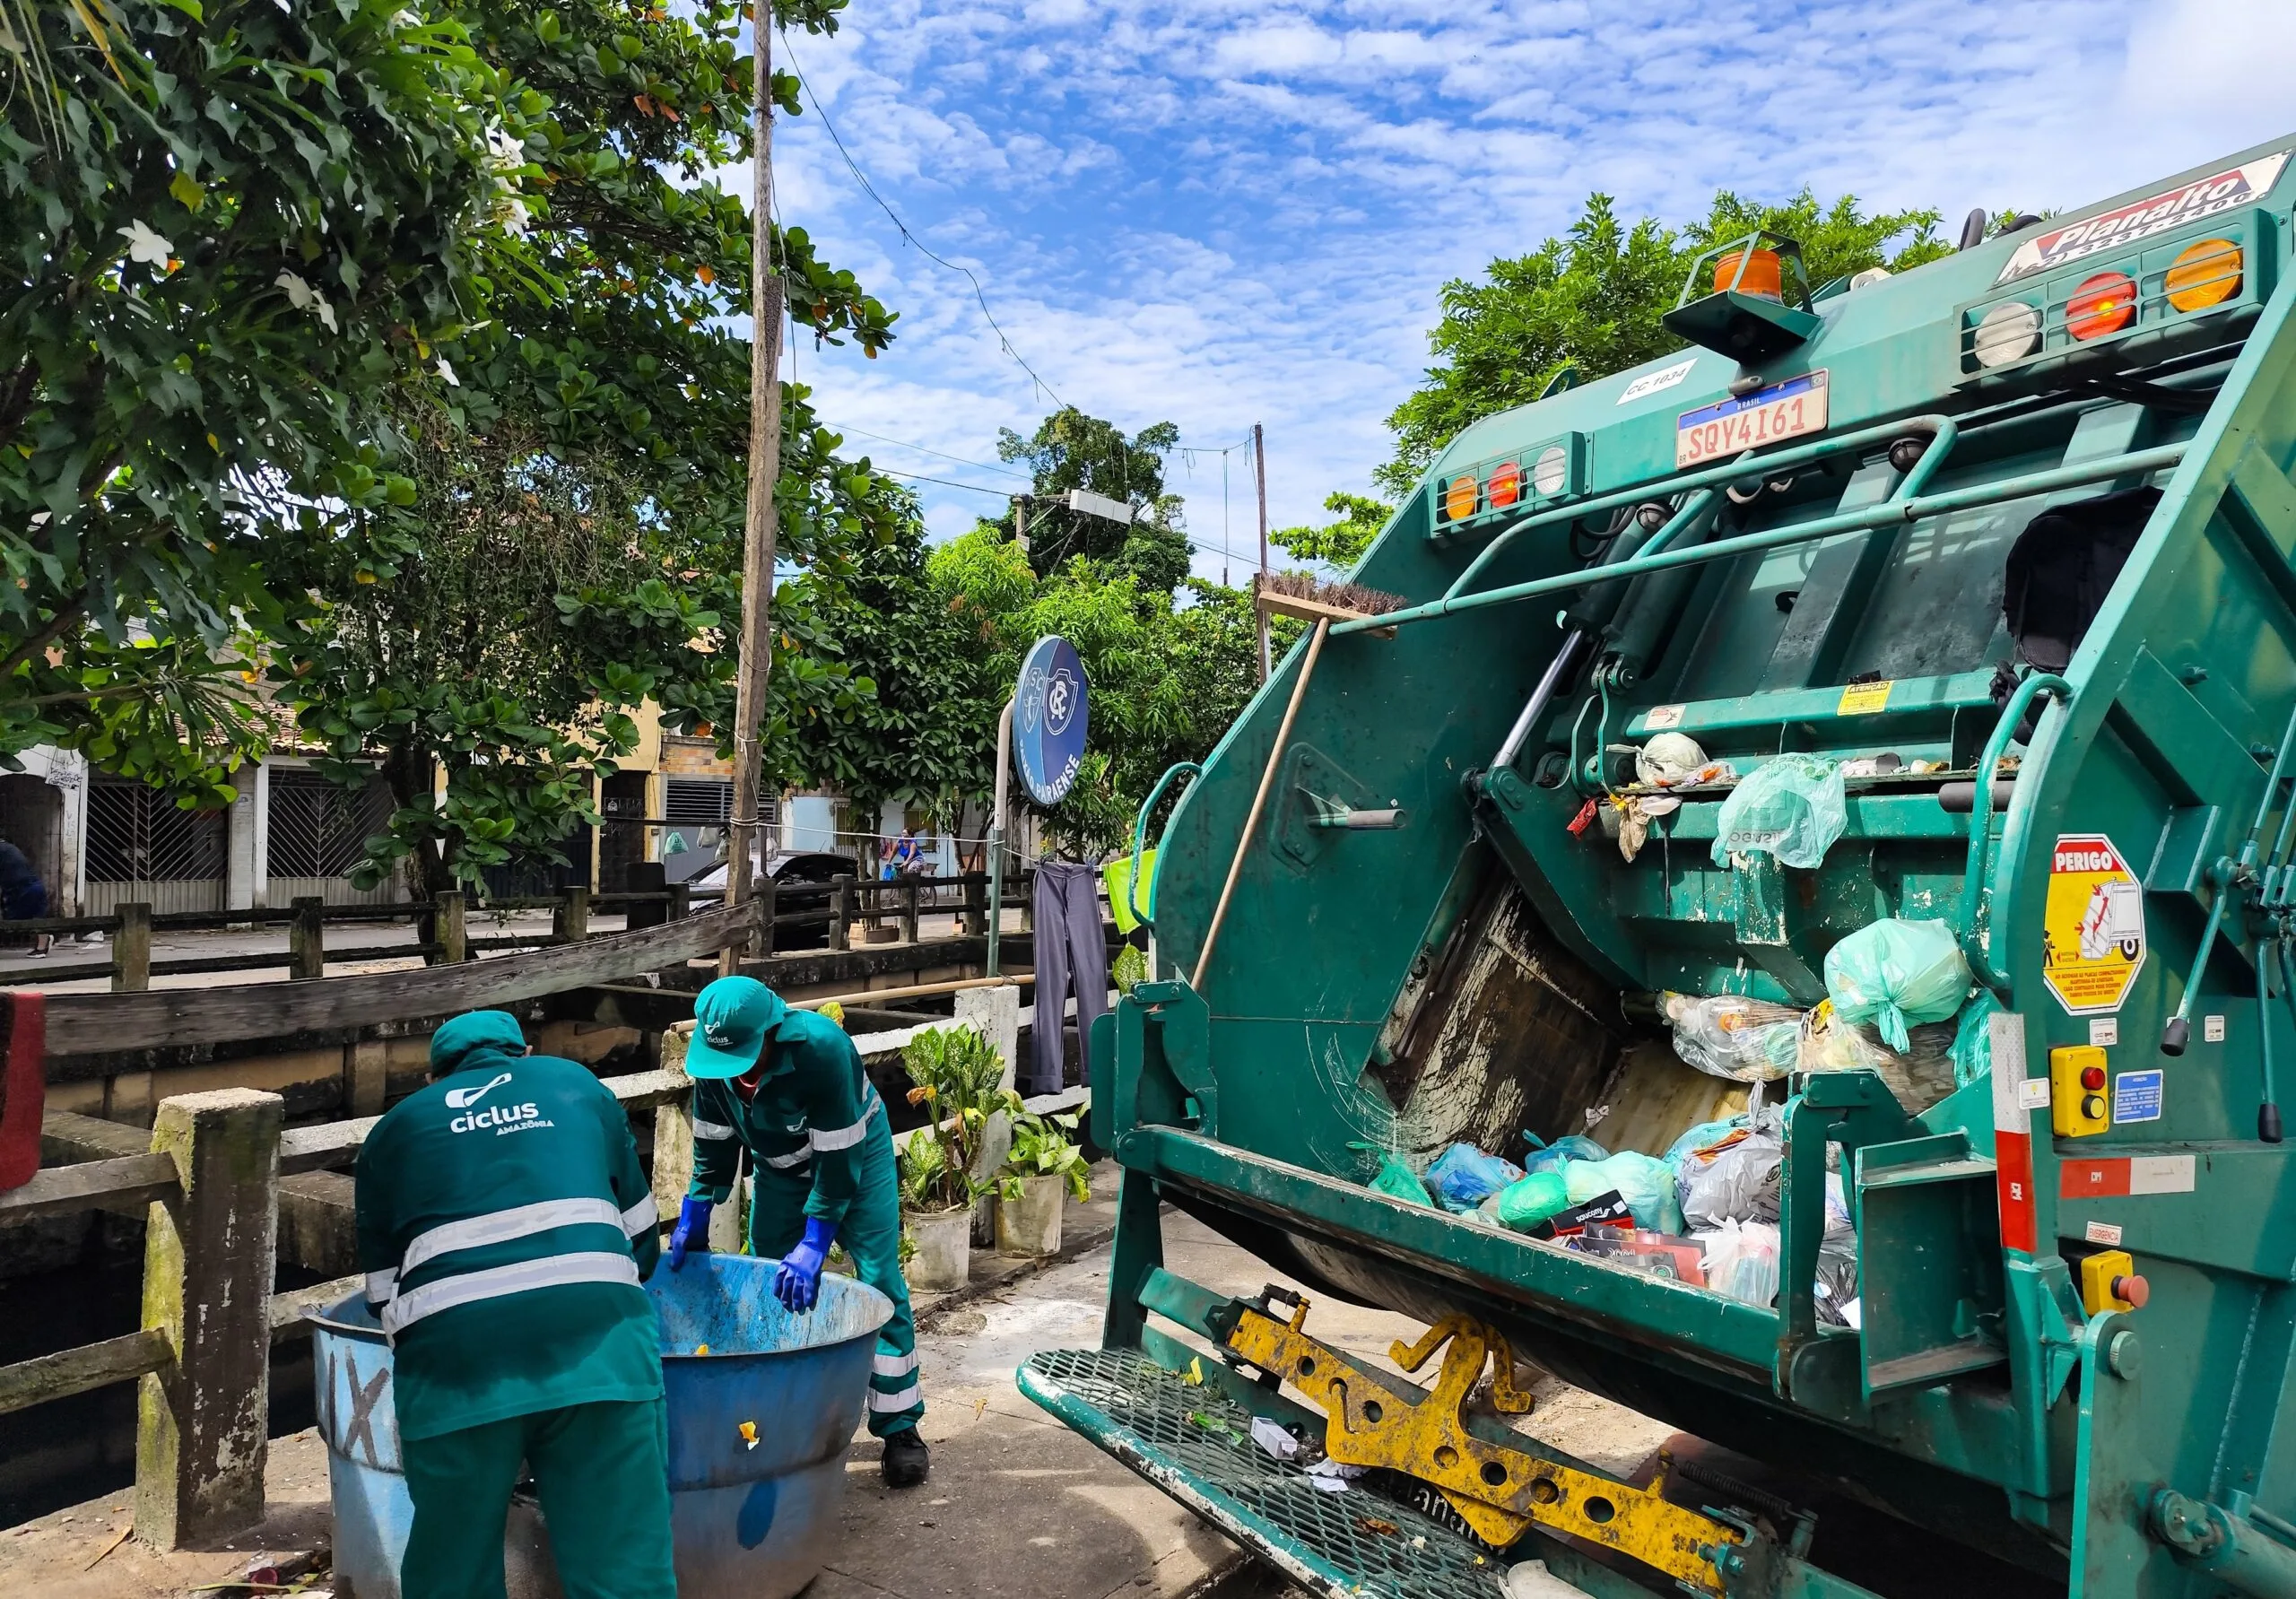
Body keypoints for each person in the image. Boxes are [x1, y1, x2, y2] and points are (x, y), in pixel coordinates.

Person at [354, 1011, 674, 1599]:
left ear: (433, 1078)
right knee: (623, 1568)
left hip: (457, 1369)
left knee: (454, 1569)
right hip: (600, 1349)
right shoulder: (577, 1086)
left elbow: (381, 1293)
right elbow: (642, 1238)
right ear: (523, 1053)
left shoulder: (391, 1131)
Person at [669, 975, 930, 1486]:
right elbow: (714, 1140)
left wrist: (815, 1242)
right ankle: (771, 1419)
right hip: (778, 1166)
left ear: (772, 1033)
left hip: (857, 1153)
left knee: (878, 1278)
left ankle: (899, 1426)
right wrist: (695, 1211)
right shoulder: (713, 1061)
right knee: (766, 1280)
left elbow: (839, 1159)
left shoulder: (822, 1049)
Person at [0, 839, 51, 956]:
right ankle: (42, 945)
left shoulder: (4, 850)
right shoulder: (8, 848)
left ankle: (42, 945)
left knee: (14, 921)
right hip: (32, 886)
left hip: (23, 889)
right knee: (37, 916)